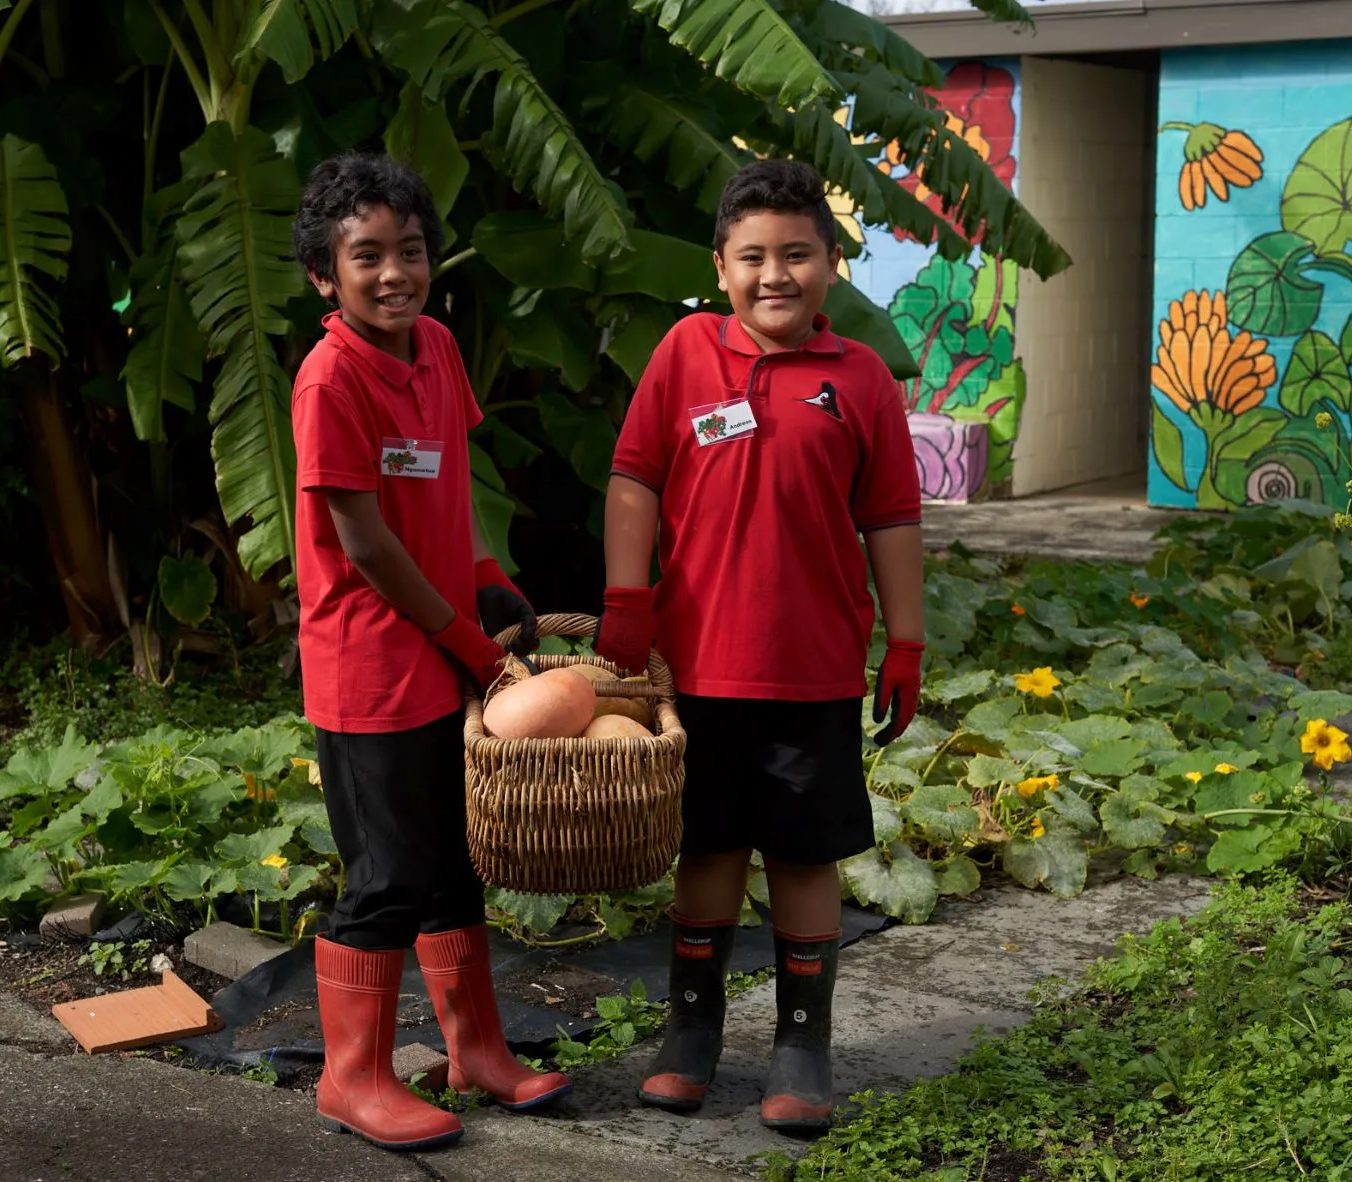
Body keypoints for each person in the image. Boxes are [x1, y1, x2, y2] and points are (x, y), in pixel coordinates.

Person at [595, 158, 926, 1132]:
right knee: (705, 849)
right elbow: (634, 478)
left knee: (802, 855)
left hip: (813, 668)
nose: (773, 274)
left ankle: (800, 1045)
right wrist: (625, 597)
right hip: (697, 666)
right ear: (719, 265)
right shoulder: (684, 351)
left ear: (830, 265)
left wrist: (903, 642)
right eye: (752, 257)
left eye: (796, 254)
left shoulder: (859, 379)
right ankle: (690, 1033)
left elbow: (894, 519)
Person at [289, 153, 571, 1151]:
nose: (393, 272)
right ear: (327, 275)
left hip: (445, 649)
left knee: (453, 865)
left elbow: (448, 488)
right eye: (366, 256)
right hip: (371, 667)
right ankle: (352, 1079)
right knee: (388, 874)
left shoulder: (438, 348)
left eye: (410, 250)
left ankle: (477, 1053)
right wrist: (465, 639)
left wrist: (488, 573)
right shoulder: (330, 378)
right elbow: (364, 544)